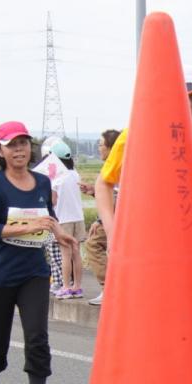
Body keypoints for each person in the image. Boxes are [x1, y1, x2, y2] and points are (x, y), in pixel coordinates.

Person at [0, 121, 79, 384]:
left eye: (23, 143)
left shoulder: (42, 182)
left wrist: (59, 233)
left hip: (33, 271)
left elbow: (48, 215)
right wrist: (28, 227)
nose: (19, 150)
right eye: (11, 145)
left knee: (37, 336)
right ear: (0, 151)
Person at [94, 70, 192, 277]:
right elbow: (104, 183)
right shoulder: (136, 134)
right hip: (145, 249)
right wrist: (112, 232)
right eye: (184, 96)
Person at [83, 129, 119, 305]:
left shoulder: (115, 167)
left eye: (101, 145)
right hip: (115, 218)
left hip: (116, 220)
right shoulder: (113, 166)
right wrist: (92, 191)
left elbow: (118, 197)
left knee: (93, 244)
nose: (99, 148)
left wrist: (99, 221)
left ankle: (110, 288)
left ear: (111, 148)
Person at [47, 141, 86, 299]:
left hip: (63, 219)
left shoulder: (56, 178)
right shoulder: (75, 174)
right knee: (76, 253)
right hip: (78, 218)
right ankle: (77, 287)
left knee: (65, 254)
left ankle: (65, 287)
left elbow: (53, 201)